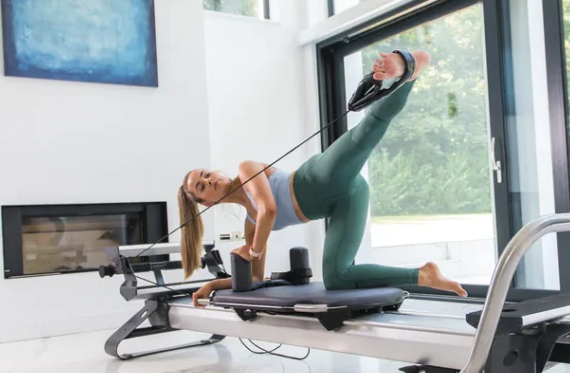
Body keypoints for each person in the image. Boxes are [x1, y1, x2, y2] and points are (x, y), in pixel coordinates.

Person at [178, 49, 468, 307]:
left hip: (320, 176)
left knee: (367, 130)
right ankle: (423, 274)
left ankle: (408, 68)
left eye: (206, 174)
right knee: (337, 277)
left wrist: (252, 251)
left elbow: (270, 209)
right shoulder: (250, 226)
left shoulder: (246, 168)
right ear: (207, 203)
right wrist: (213, 286)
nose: (210, 180)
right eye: (202, 186)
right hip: (344, 202)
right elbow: (255, 278)